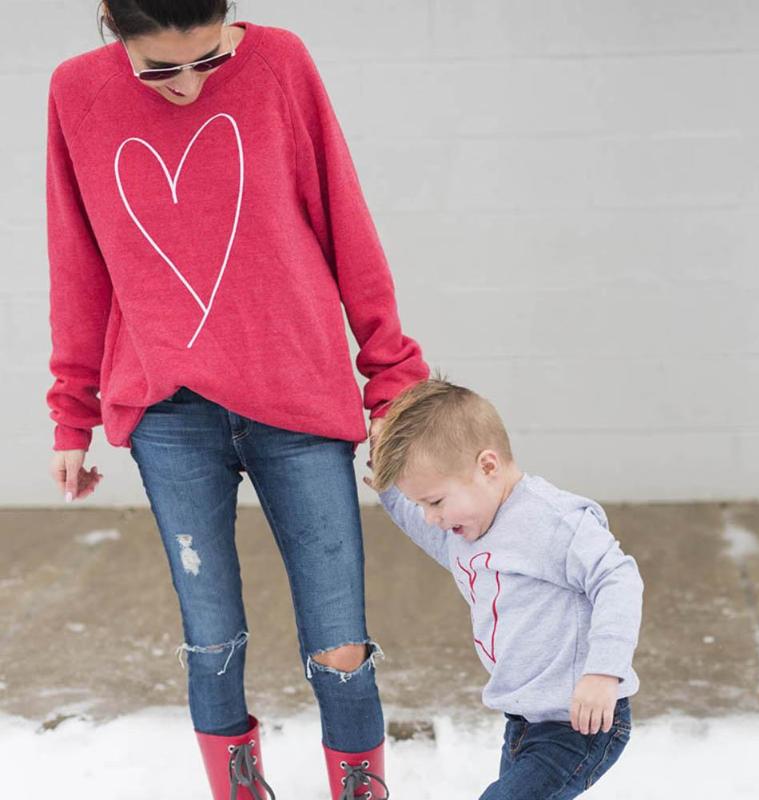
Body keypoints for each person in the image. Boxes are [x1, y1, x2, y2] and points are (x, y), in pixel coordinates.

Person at [45, 2, 428, 797]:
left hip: (297, 393)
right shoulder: (76, 92)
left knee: (338, 639)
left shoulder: (282, 62)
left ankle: (361, 787)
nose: (187, 86)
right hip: (168, 412)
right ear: (113, 27)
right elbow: (77, 258)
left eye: (208, 60)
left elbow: (343, 219)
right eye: (159, 69)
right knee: (209, 635)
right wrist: (71, 411)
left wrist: (392, 375)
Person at [366, 378, 643, 800]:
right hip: (523, 721)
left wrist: (604, 671)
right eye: (422, 504)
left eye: (435, 502)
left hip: (579, 723)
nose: (429, 517)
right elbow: (422, 524)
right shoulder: (468, 532)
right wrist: (387, 482)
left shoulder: (550, 520)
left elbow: (617, 579)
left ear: (488, 467)